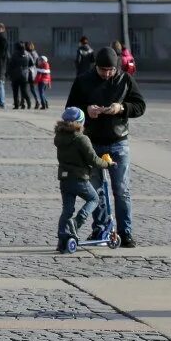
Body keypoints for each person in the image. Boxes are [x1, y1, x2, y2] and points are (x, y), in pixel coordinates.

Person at [64, 46, 146, 248]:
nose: (107, 74)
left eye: (110, 70)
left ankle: (125, 233)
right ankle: (100, 229)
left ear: (116, 67)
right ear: (96, 67)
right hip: (91, 141)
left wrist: (123, 108)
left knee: (121, 189)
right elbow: (69, 109)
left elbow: (140, 106)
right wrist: (86, 110)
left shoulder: (125, 80)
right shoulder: (83, 80)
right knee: (96, 189)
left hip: (118, 141)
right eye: (102, 70)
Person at [53, 106, 114, 253]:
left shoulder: (59, 137)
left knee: (67, 210)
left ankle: (63, 239)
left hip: (64, 179)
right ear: (81, 122)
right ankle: (77, 222)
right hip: (79, 178)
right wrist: (107, 164)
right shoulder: (81, 139)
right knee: (94, 199)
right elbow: (93, 160)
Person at [9, 41, 33, 110]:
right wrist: (27, 68)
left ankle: (16, 105)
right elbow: (32, 63)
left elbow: (10, 65)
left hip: (15, 75)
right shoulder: (27, 54)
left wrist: (9, 74)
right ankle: (28, 103)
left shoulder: (14, 54)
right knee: (24, 91)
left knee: (15, 91)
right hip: (24, 75)